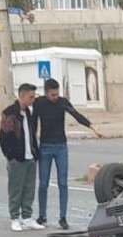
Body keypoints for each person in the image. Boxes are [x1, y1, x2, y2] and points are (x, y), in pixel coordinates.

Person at [32, 78, 103, 229]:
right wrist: (33, 146)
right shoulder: (39, 103)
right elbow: (33, 124)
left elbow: (76, 115)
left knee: (63, 183)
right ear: (46, 93)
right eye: (52, 95)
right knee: (43, 183)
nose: (55, 97)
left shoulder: (62, 102)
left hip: (60, 147)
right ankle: (42, 216)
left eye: (57, 94)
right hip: (45, 146)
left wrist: (92, 127)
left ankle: (62, 217)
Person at [0, 83, 45, 232]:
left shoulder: (29, 113)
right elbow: (4, 137)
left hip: (30, 157)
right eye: (31, 97)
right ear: (22, 96)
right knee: (16, 188)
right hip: (17, 159)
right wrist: (10, 156)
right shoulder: (10, 113)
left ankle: (27, 217)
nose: (33, 100)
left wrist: (35, 153)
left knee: (29, 188)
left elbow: (32, 134)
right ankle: (14, 218)